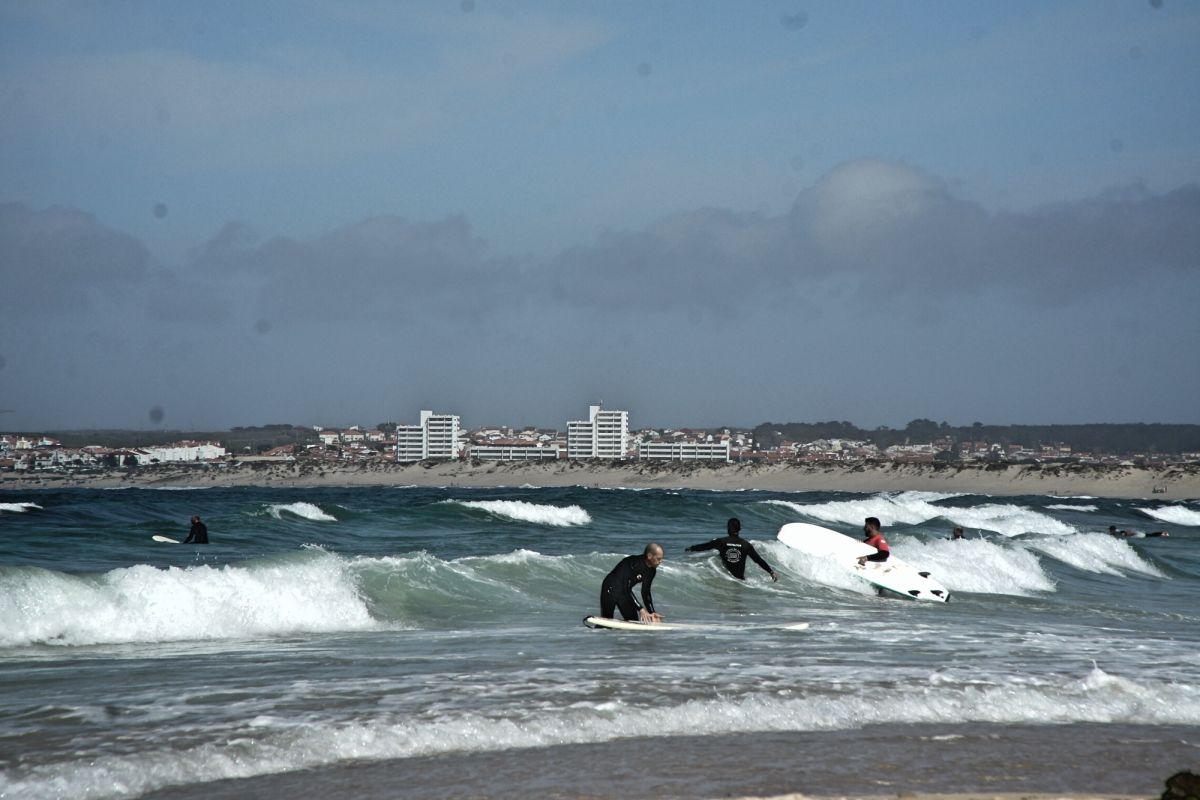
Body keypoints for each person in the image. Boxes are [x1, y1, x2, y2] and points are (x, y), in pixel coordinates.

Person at [686, 518, 778, 582]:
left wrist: (691, 548)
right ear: (740, 529)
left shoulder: (721, 542)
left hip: (725, 578)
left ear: (727, 529)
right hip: (740, 580)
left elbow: (705, 546)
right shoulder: (746, 545)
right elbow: (758, 560)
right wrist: (771, 572)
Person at [600, 543, 664, 623]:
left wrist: (652, 612)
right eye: (658, 559)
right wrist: (640, 609)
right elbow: (626, 587)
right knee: (606, 623)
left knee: (633, 622)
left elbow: (645, 592)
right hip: (610, 589)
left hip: (624, 593)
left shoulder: (652, 571)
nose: (660, 561)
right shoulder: (633, 563)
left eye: (661, 559)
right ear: (649, 556)